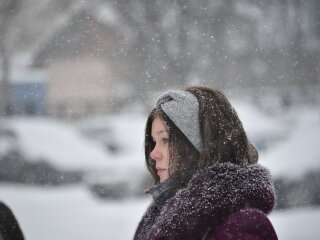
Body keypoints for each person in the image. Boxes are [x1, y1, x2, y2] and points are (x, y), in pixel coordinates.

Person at [134, 86, 278, 240]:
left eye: (166, 140)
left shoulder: (241, 227)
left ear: (203, 144)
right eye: (154, 142)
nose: (153, 154)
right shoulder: (162, 216)